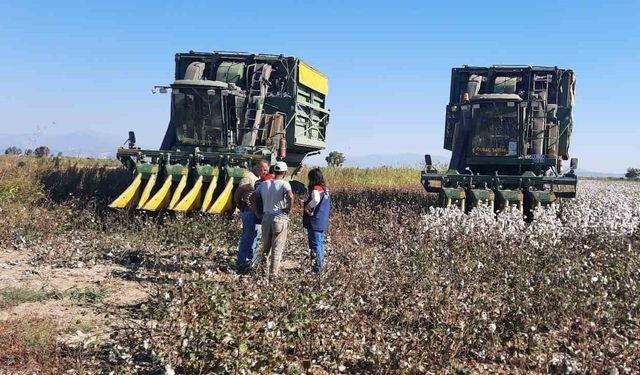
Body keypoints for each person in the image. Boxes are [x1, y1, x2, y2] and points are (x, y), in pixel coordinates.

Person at [252, 161, 293, 278]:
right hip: (279, 218)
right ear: (284, 173)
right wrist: (288, 209)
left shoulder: (264, 184)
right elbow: (290, 196)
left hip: (266, 218)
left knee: (265, 247)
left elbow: (253, 198)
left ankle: (261, 272)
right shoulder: (285, 184)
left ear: (274, 171)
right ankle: (273, 276)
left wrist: (257, 213)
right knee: (277, 249)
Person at [234, 159, 269, 273]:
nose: (264, 171)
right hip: (249, 211)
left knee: (256, 236)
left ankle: (251, 261)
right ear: (256, 167)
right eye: (263, 169)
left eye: (266, 169)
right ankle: (242, 261)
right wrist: (240, 204)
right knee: (248, 237)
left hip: (257, 213)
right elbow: (238, 193)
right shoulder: (248, 178)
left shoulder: (261, 180)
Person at [303, 168, 331, 273]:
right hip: (322, 220)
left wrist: (307, 207)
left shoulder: (316, 189)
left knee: (315, 245)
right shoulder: (325, 189)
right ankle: (321, 265)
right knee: (320, 244)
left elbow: (316, 200)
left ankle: (317, 269)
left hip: (315, 221)